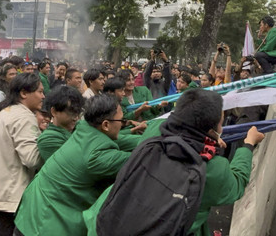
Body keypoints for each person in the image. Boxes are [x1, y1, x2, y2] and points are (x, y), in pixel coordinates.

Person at [83, 89, 264, 236]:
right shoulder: (212, 168)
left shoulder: (154, 131)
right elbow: (237, 184)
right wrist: (247, 145)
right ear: (212, 128)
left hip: (105, 222)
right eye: (220, 121)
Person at [14, 95, 132, 236]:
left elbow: (124, 140)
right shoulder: (96, 156)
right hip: (46, 225)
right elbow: (139, 160)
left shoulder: (84, 132)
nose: (122, 124)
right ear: (106, 125)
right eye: (122, 121)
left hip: (32, 215)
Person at [0, 73, 45, 235]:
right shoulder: (24, 117)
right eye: (40, 92)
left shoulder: (5, 112)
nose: (43, 96)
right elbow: (32, 159)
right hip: (4, 204)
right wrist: (49, 142)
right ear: (24, 93)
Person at [36, 85, 85, 162]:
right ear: (54, 112)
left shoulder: (80, 127)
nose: (76, 117)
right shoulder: (48, 139)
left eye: (78, 112)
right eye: (71, 112)